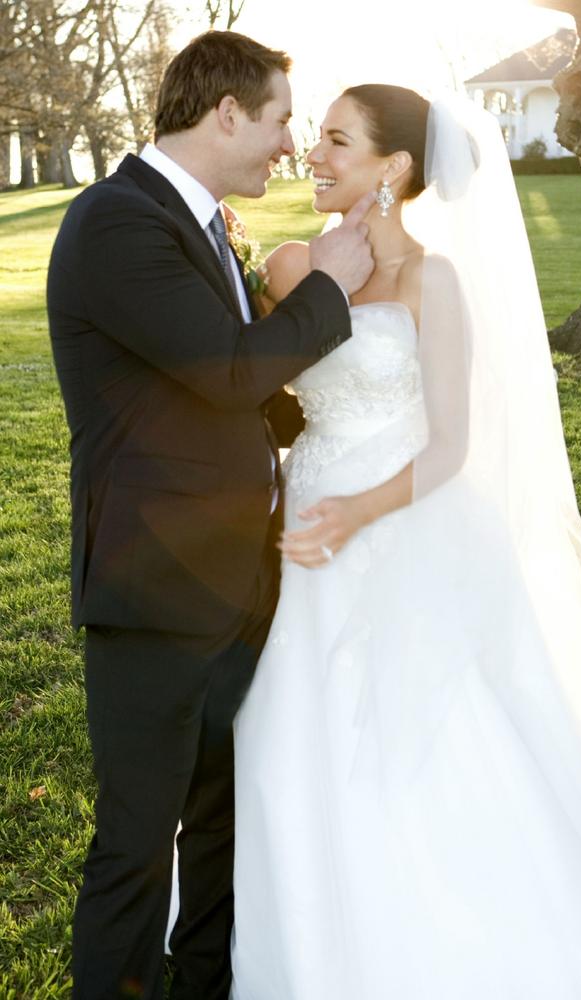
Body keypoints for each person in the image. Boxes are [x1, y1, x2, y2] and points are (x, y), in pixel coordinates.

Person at [230, 85, 581, 999]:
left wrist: (358, 513)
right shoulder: (289, 268)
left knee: (433, 735)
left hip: (403, 530)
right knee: (298, 732)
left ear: (395, 168)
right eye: (316, 138)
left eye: (338, 142)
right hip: (303, 537)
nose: (315, 154)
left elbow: (455, 445)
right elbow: (249, 385)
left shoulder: (435, 282)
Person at [47, 30, 375, 1000]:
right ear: (224, 112)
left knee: (222, 838)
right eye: (279, 121)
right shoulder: (116, 222)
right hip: (153, 591)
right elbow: (226, 373)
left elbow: (251, 398)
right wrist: (328, 288)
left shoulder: (201, 222)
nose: (288, 145)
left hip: (237, 584)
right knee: (138, 848)